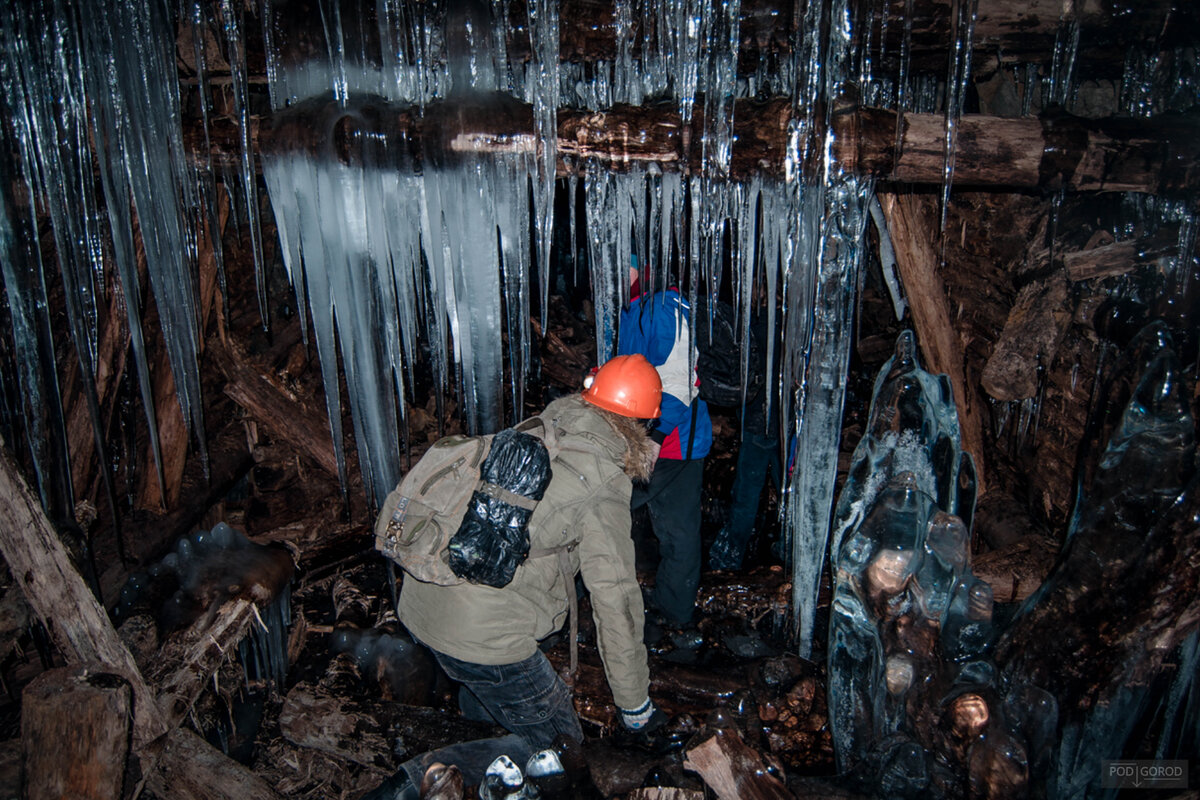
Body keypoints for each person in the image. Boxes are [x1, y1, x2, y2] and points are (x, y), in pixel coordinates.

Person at [393, 354, 669, 759]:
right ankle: (433, 776)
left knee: (485, 694)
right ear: (642, 424)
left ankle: (478, 745)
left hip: (421, 596)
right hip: (480, 632)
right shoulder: (603, 481)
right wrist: (635, 706)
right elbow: (617, 603)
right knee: (561, 752)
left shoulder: (538, 428)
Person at [617, 264, 711, 630]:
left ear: (639, 268)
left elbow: (680, 380)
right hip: (640, 439)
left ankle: (675, 616)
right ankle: (669, 610)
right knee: (670, 528)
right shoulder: (632, 307)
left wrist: (654, 440)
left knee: (677, 532)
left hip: (672, 442)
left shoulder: (665, 307)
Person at [708, 303, 783, 571]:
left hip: (759, 422)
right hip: (782, 424)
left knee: (746, 494)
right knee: (786, 489)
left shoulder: (754, 327)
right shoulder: (784, 325)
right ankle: (789, 548)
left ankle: (730, 555)